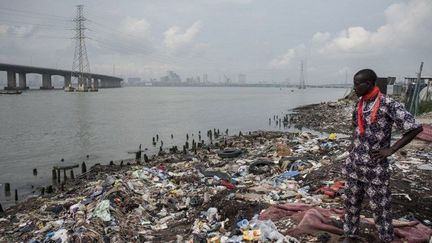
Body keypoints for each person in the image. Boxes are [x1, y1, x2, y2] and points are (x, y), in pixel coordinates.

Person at [342, 69, 423, 242]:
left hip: (375, 168)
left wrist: (391, 149)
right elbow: (356, 126)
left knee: (381, 208)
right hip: (355, 165)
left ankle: (386, 238)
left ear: (370, 84)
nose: (354, 87)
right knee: (350, 204)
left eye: (357, 83)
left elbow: (415, 128)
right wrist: (353, 144)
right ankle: (350, 235)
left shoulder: (389, 104)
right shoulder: (360, 103)